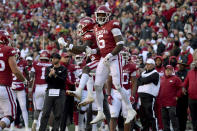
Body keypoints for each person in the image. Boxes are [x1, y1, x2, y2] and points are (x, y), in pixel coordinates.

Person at [90, 5, 136, 124]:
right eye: (98, 15)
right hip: (104, 58)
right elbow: (102, 48)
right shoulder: (95, 28)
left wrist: (110, 55)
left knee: (118, 85)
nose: (100, 17)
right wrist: (94, 51)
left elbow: (120, 43)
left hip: (115, 57)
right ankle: (100, 112)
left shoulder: (113, 25)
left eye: (102, 15)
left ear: (107, 16)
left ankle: (130, 110)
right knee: (97, 85)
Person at [58, 17, 101, 106]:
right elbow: (77, 51)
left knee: (86, 68)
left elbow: (81, 49)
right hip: (96, 59)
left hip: (100, 59)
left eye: (81, 26)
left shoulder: (89, 34)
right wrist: (66, 46)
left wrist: (65, 44)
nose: (79, 29)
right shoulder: (90, 34)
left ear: (86, 26)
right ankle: (89, 95)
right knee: (88, 73)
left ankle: (79, 91)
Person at [0, 30, 27, 131]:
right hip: (4, 87)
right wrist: (24, 81)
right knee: (11, 115)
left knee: (1, 116)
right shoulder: (8, 49)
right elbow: (15, 71)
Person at [107, 51, 137, 131]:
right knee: (113, 115)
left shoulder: (132, 66)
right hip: (115, 92)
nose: (124, 57)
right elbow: (109, 81)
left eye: (125, 55)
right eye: (122, 55)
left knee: (127, 116)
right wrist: (109, 94)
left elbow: (134, 82)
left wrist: (132, 95)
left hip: (126, 92)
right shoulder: (113, 65)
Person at [39, 53, 67, 131]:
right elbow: (46, 80)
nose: (52, 60)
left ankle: (55, 129)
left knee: (58, 114)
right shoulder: (48, 68)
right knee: (45, 113)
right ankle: (42, 129)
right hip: (50, 91)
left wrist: (55, 75)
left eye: (54, 58)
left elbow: (62, 81)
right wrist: (50, 75)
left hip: (60, 92)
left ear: (59, 59)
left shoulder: (63, 68)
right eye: (52, 58)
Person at [30, 50, 52, 131]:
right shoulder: (51, 64)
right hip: (47, 87)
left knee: (38, 109)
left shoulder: (35, 64)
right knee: (46, 109)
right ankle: (46, 126)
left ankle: (35, 122)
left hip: (38, 87)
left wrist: (30, 89)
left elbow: (31, 76)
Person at [137, 58, 160, 131]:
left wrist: (142, 80)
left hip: (149, 97)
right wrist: (142, 80)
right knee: (142, 116)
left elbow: (145, 80)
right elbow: (138, 82)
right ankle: (145, 129)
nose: (147, 66)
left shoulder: (155, 73)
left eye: (149, 64)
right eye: (146, 64)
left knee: (150, 115)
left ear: (153, 65)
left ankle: (154, 129)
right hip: (141, 96)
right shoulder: (143, 73)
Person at [11, 48, 29, 131]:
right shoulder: (10, 61)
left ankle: (26, 126)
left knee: (23, 107)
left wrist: (27, 81)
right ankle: (12, 126)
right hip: (12, 86)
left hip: (21, 87)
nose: (14, 57)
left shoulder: (23, 62)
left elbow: (27, 73)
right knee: (12, 107)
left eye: (16, 55)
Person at [160, 65, 182, 131]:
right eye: (166, 70)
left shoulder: (176, 79)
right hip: (163, 102)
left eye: (169, 70)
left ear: (172, 71)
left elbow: (180, 88)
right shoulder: (162, 78)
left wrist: (177, 96)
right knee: (164, 119)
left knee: (173, 118)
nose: (168, 71)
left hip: (172, 103)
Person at [183, 50, 197, 131]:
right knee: (193, 117)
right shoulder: (190, 72)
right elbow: (185, 82)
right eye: (195, 60)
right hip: (191, 98)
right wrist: (183, 88)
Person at [176, 58, 189, 131]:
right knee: (178, 113)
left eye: (182, 65)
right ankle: (179, 128)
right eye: (179, 64)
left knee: (184, 114)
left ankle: (183, 128)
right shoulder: (176, 73)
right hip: (178, 97)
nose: (180, 66)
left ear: (184, 65)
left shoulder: (187, 73)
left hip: (186, 96)